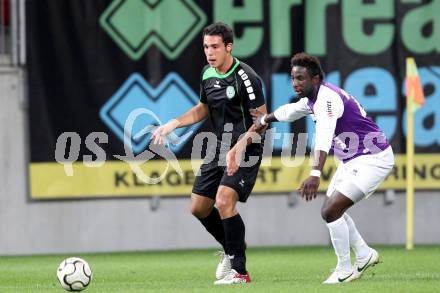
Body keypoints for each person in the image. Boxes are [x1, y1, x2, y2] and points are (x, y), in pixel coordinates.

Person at [250, 53, 394, 284]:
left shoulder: (327, 99)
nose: (295, 83)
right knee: (333, 209)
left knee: (330, 211)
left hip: (373, 158)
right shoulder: (311, 99)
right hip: (352, 159)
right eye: (293, 78)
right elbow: (290, 111)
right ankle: (364, 254)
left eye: (300, 78)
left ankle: (345, 269)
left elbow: (324, 137)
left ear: (315, 79)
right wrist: (265, 119)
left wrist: (315, 173)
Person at [152, 22, 267, 284]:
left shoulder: (246, 77)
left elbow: (262, 121)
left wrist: (239, 147)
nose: (209, 52)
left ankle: (240, 271)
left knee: (225, 200)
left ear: (229, 47)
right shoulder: (207, 74)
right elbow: (203, 108)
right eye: (206, 47)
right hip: (218, 146)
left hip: (246, 147)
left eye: (215, 46)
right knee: (199, 207)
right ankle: (232, 247)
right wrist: (173, 123)